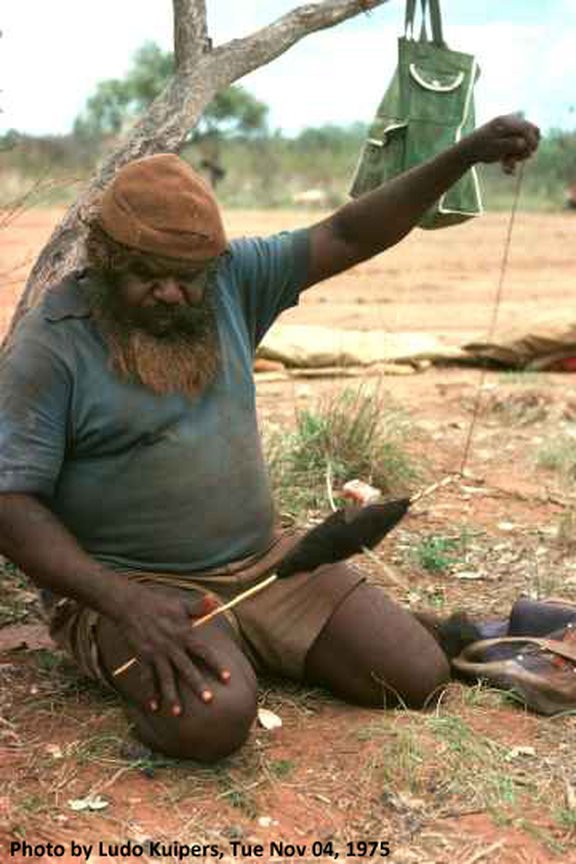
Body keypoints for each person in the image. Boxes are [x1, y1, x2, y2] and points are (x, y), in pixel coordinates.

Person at [0, 114, 539, 762]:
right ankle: (186, 657)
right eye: (146, 274)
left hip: (266, 566)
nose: (171, 292)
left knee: (417, 675)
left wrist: (465, 153)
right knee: (213, 721)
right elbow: (10, 505)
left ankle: (246, 641)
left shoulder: (231, 281)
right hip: (134, 587)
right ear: (108, 261)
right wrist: (123, 604)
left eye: (187, 276)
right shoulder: (52, 344)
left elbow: (348, 232)